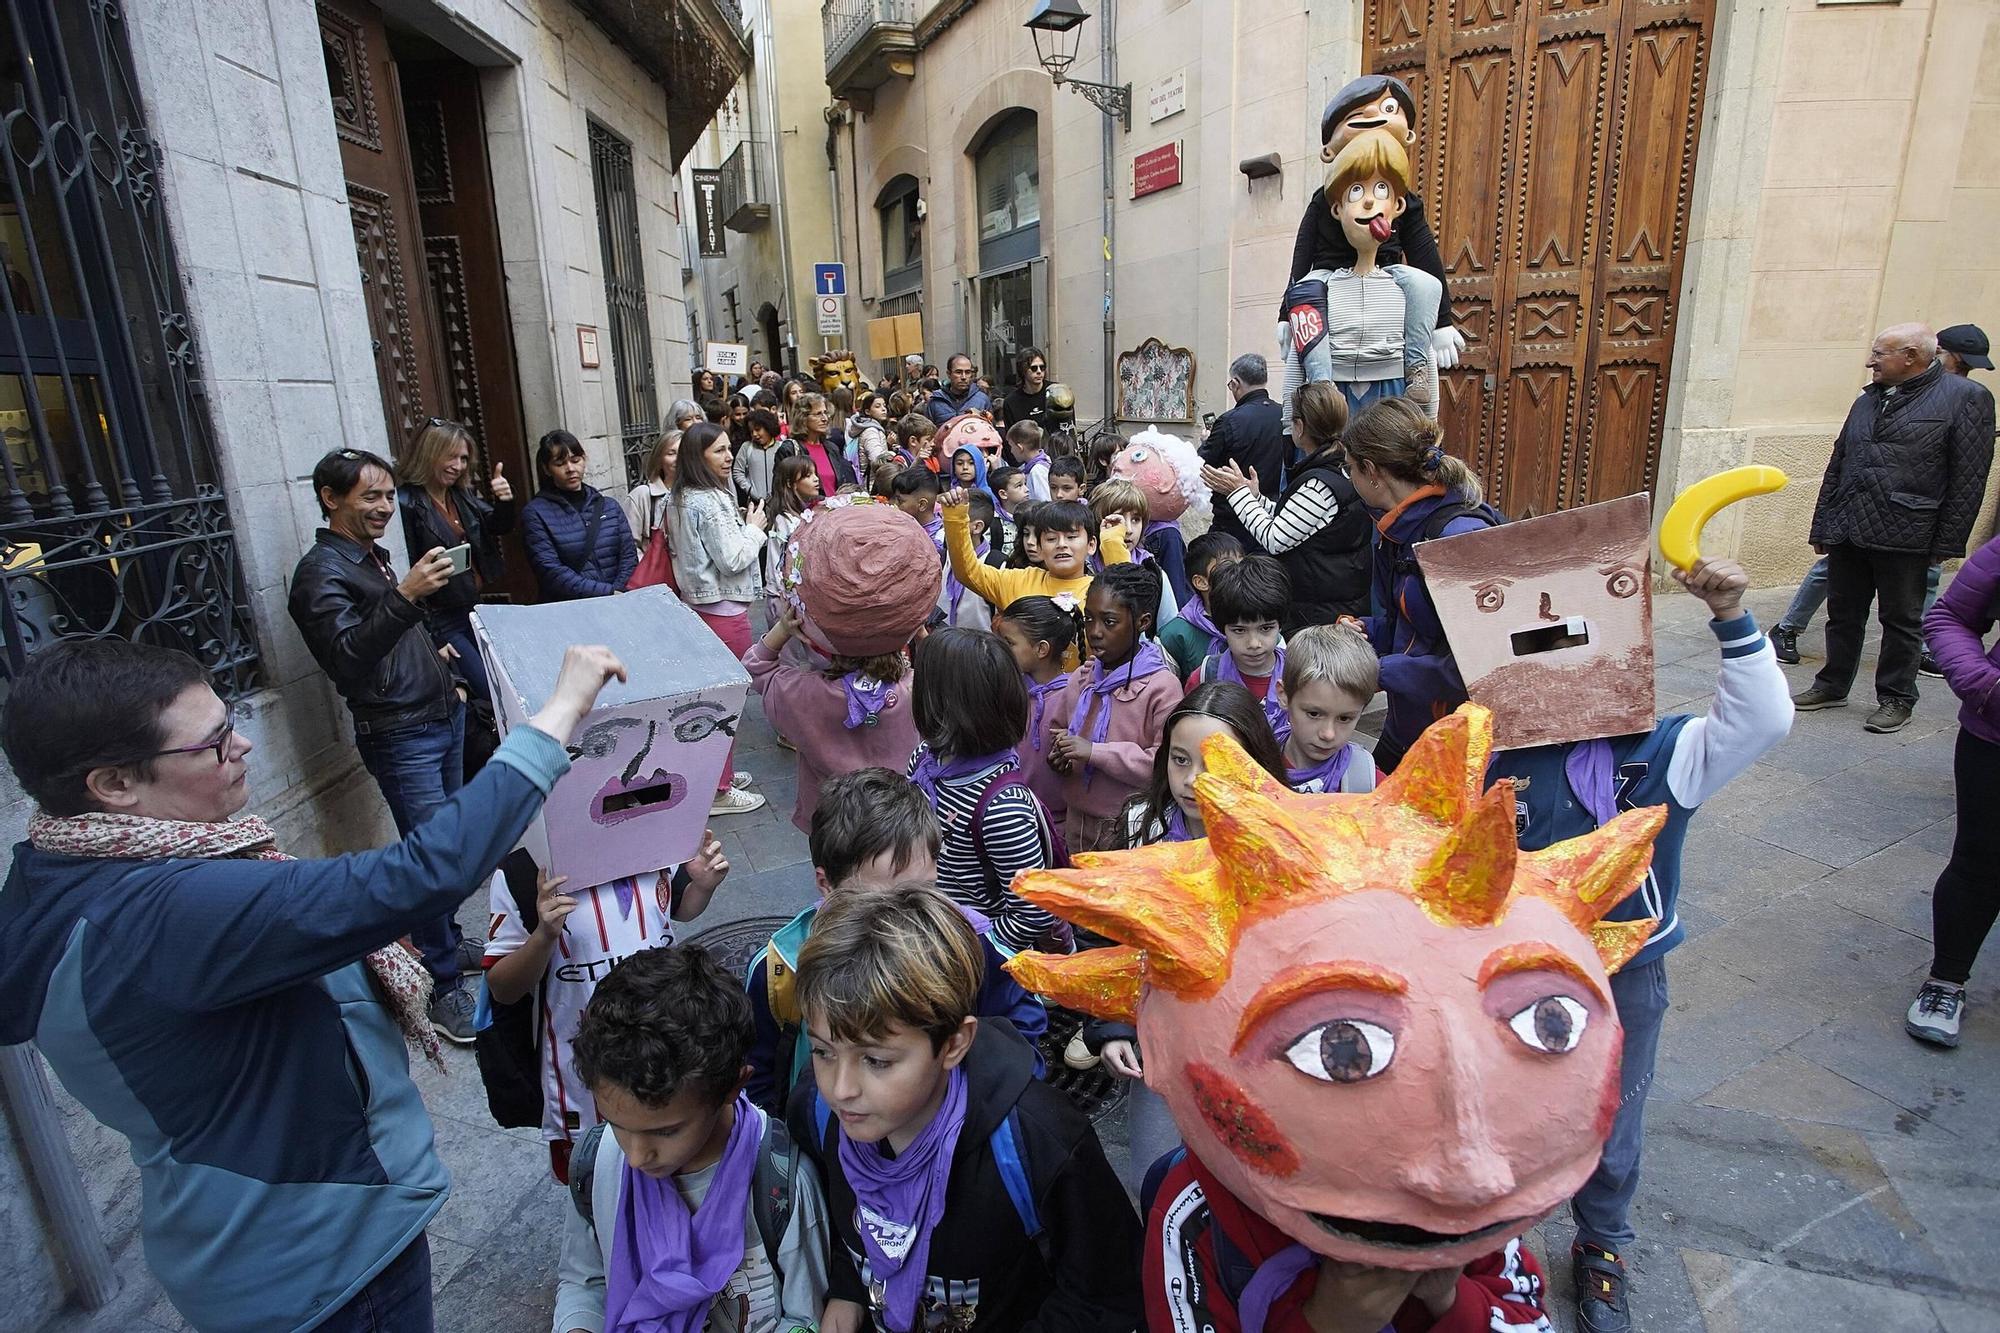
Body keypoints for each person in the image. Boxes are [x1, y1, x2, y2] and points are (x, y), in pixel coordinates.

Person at [0, 636, 625, 1333]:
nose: (241, 747)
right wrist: (561, 710)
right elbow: (418, 876)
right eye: (211, 744)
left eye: (229, 720)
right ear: (113, 784)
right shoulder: (158, 911)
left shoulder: (60, 868)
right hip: (322, 1258)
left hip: (258, 1233)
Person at [788, 885, 1143, 1333]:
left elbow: (1106, 1296)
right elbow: (837, 1214)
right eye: (822, 1052)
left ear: (953, 1043)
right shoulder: (817, 1114)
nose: (840, 1089)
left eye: (876, 1060)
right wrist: (847, 1284)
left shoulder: (1040, 1144)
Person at [287, 447, 476, 1037]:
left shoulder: (372, 558)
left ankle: (446, 943)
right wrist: (407, 596)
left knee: (446, 848)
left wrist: (439, 660)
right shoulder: (320, 572)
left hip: (441, 715)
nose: (383, 507)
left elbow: (387, 640)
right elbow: (346, 659)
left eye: (389, 495)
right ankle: (441, 984)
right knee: (427, 859)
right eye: (370, 496)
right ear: (330, 497)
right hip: (402, 734)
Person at [556, 945, 833, 1333]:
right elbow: (583, 1280)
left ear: (733, 1087)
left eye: (666, 1131)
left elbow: (805, 1317)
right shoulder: (597, 1163)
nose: (636, 1157)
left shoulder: (782, 1185)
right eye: (616, 1123)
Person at [744, 770, 1048, 1115]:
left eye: (925, 891)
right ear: (826, 884)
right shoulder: (783, 968)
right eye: (885, 900)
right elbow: (760, 1074)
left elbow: (1020, 1023)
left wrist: (985, 1101)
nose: (911, 916)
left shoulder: (968, 945)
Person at [1078, 680, 1287, 1182]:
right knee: (1158, 1176)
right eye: (1179, 760)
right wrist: (1112, 1027)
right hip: (1162, 1044)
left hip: (1248, 1051)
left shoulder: (1277, 841)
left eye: (1214, 763)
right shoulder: (1140, 826)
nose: (1193, 780)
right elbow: (1110, 935)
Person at [484, 833, 730, 1181]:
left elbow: (674, 908)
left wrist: (702, 886)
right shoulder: (522, 872)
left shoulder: (655, 834)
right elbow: (502, 987)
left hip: (666, 1048)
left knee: (672, 1155)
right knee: (601, 1173)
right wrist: (543, 936)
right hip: (581, 1070)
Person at [1791, 324, 1995, 734]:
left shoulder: (1967, 398)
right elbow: (1839, 462)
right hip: (1849, 526)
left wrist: (1948, 542)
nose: (1870, 361)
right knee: (1842, 613)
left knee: (1902, 621)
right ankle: (1832, 684)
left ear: (1911, 357)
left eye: (1879, 354)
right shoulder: (1867, 400)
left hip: (1910, 531)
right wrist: (1824, 524)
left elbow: (1969, 477)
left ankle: (1897, 698)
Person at [1345, 396, 1499, 773]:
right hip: (1407, 726)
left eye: (1349, 468)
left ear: (1371, 471)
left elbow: (1480, 663)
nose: (1347, 477)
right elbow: (1413, 628)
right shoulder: (1396, 528)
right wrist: (1366, 632)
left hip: (1452, 741)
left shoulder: (1459, 539)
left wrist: (1379, 671)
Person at [909, 628, 1067, 953]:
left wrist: (971, 954)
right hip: (932, 926)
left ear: (942, 704)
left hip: (969, 955)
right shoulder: (925, 758)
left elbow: (1032, 913)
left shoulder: (1002, 808)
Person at [1907, 531, 2000, 1047]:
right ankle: (1946, 979)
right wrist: (1984, 685)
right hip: (1995, 739)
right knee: (1981, 862)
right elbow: (1949, 618)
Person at [1202, 380, 1371, 631]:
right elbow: (1294, 523)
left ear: (1300, 427)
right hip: (1328, 604)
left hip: (1322, 614)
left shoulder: (1321, 483)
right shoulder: (1331, 468)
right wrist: (1255, 497)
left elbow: (1275, 539)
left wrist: (1237, 493)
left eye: (1291, 421)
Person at [1047, 563, 1187, 852]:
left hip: (1126, 827)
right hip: (1076, 821)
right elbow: (1059, 728)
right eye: (1089, 620)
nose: (1095, 632)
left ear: (1142, 622)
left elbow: (1162, 763)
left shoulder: (1161, 687)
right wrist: (1059, 754)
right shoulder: (1083, 678)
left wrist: (1094, 752)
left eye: (1109, 622)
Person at [746, 605, 920, 834]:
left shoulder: (803, 693)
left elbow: (755, 667)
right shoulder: (917, 688)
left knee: (829, 870)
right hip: (901, 818)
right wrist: (919, 629)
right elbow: (950, 669)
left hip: (830, 821)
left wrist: (783, 628)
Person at [673, 421, 772, 817]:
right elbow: (732, 558)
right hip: (722, 612)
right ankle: (718, 789)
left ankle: (718, 775)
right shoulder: (706, 501)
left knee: (714, 702)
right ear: (698, 457)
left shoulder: (683, 497)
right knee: (724, 704)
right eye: (719, 451)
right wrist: (754, 529)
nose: (729, 456)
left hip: (705, 609)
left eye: (729, 448)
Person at [394, 418, 514, 705]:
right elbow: (406, 570)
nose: (458, 465)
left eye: (463, 458)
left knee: (503, 684)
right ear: (429, 454)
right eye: (451, 456)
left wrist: (505, 500)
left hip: (472, 607)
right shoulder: (406, 502)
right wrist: (432, 636)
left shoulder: (460, 496)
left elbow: (497, 525)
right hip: (440, 616)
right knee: (489, 691)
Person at [942, 490, 1125, 612]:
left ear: (1091, 545)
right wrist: (956, 518)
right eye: (1051, 538)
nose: (1061, 544)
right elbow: (967, 572)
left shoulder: (1103, 591)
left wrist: (1112, 542)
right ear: (1040, 546)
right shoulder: (1018, 581)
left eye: (1071, 537)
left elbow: (1131, 591)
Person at [991, 594, 1083, 829]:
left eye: (1009, 642)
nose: (1000, 649)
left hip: (1057, 824)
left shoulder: (1073, 697)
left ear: (1041, 649)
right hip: (1010, 815)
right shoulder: (1008, 689)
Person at [1184, 554, 1293, 743]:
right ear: (1222, 628)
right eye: (1239, 630)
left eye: (1265, 628)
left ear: (1280, 625)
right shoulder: (1205, 676)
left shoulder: (1300, 675)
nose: (1254, 643)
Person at [521, 429, 638, 600]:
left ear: (584, 460)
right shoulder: (535, 514)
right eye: (560, 464)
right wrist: (607, 592)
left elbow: (628, 556)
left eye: (575, 460)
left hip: (618, 603)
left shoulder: (609, 506)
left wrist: (618, 591)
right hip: (572, 609)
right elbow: (550, 570)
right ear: (547, 469)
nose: (570, 469)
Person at [1199, 354, 1289, 554]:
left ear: (1235, 383)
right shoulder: (1285, 416)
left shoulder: (1229, 421)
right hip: (1272, 512)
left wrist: (1206, 441)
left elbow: (1203, 463)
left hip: (1233, 517)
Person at [1278, 622, 1380, 793]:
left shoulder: (1368, 783)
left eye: (1344, 718)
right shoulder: (1252, 764)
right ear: (1284, 696)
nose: (1328, 734)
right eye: (1314, 713)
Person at [1157, 531, 1244, 678]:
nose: (1239, 572)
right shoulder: (1176, 633)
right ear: (1201, 582)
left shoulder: (1259, 616)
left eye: (1242, 564)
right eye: (1227, 567)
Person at [776, 392, 859, 497]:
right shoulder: (789, 449)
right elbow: (781, 491)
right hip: (806, 512)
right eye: (818, 414)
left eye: (825, 413)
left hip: (833, 511)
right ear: (803, 417)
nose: (825, 419)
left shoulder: (831, 448)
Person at [624, 428, 680, 583]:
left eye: (684, 453)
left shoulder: (698, 496)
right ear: (659, 459)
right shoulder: (642, 495)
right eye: (671, 453)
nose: (679, 458)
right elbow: (629, 546)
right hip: (657, 581)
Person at [940, 492, 1000, 630]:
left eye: (953, 521)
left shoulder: (996, 564)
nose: (944, 530)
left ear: (977, 527)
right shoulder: (940, 559)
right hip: (940, 645)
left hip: (980, 648)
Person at [763, 455, 822, 593]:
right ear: (791, 484)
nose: (816, 478)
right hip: (784, 595)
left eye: (815, 473)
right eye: (808, 475)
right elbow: (775, 562)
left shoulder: (810, 513)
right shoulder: (783, 520)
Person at [733, 405, 786, 507]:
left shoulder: (781, 447)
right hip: (755, 505)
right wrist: (750, 490)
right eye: (751, 431)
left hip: (780, 504)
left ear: (768, 427)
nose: (754, 434)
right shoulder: (747, 447)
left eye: (758, 429)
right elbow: (737, 472)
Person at [923, 352, 993, 426]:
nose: (963, 377)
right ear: (949, 374)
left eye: (967, 372)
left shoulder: (982, 400)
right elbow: (928, 434)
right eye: (958, 372)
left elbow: (990, 432)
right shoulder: (935, 401)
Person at [999, 346, 1055, 433]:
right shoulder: (1011, 402)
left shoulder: (1055, 392)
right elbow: (1011, 437)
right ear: (1023, 370)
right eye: (1034, 368)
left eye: (1042, 367)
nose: (1039, 371)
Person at [988, 463, 1028, 560]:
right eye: (1019, 486)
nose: (1027, 489)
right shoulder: (993, 523)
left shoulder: (1031, 516)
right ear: (1003, 494)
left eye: (1025, 484)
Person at [1008, 419, 1053, 501]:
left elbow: (1045, 502)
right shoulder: (1040, 461)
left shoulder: (1037, 471)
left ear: (1020, 448)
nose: (1011, 451)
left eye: (1011, 446)